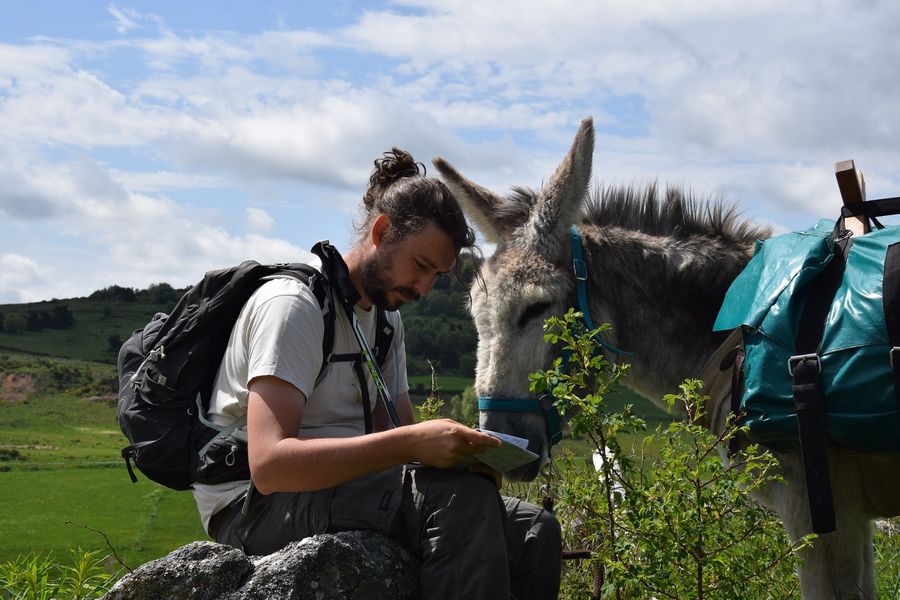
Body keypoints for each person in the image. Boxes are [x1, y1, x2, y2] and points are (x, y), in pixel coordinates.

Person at [192, 148, 562, 599]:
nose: (423, 288)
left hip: (340, 489)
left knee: (533, 530)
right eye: (421, 266)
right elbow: (270, 466)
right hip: (252, 504)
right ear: (381, 231)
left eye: (437, 275)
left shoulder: (386, 321)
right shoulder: (295, 307)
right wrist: (413, 443)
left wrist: (460, 456)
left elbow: (400, 444)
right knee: (461, 501)